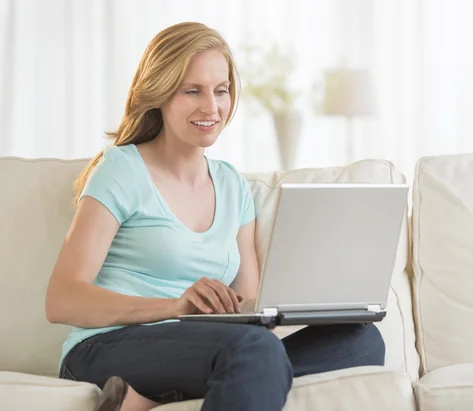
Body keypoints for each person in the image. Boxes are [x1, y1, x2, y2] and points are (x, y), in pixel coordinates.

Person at [45, 22, 385, 411]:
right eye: (193, 91)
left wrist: (312, 299)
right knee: (253, 353)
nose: (212, 107)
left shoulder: (232, 186)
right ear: (160, 93)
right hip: (108, 346)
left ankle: (147, 400)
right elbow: (61, 300)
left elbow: (248, 306)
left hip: (205, 349)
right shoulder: (121, 169)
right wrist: (176, 306)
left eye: (221, 91)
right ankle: (225, 377)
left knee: (360, 339)